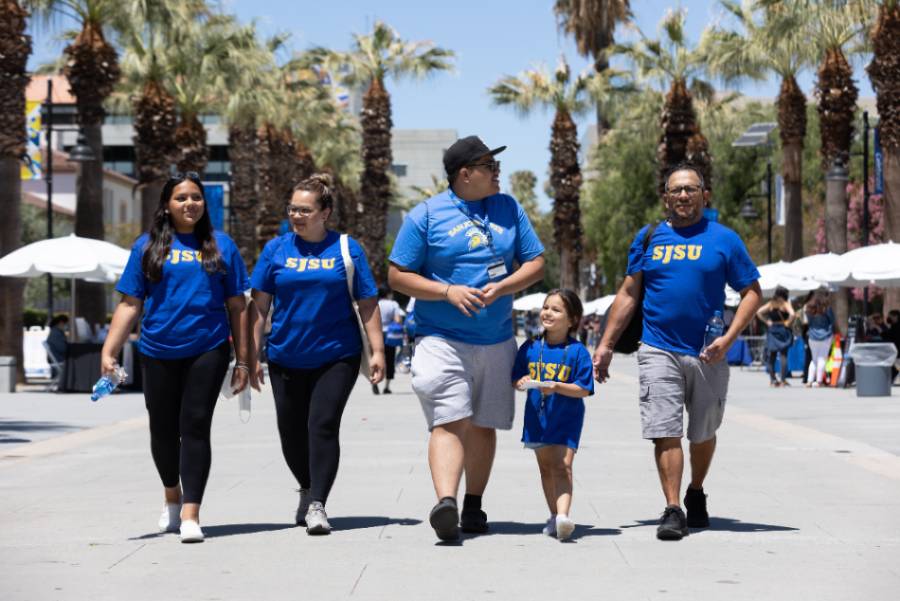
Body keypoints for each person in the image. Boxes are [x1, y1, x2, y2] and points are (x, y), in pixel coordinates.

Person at [592, 163, 761, 541]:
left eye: (691, 189)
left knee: (703, 431)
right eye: (676, 190)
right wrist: (603, 344)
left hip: (707, 352)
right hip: (657, 348)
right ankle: (673, 508)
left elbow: (752, 293)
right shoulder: (649, 237)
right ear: (665, 197)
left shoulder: (724, 239)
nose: (683, 196)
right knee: (664, 431)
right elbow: (629, 293)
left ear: (705, 195)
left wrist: (729, 339)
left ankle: (696, 490)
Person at [388, 135, 545, 541]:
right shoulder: (425, 215)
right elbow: (397, 275)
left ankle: (473, 503)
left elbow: (537, 263)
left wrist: (506, 286)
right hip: (440, 336)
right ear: (465, 174)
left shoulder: (509, 207)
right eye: (490, 167)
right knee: (450, 417)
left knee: (483, 424)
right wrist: (447, 291)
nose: (497, 173)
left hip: (495, 338)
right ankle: (447, 502)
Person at [101, 171, 249, 543]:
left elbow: (238, 305)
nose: (190, 204)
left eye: (196, 197)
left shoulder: (222, 245)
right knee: (162, 431)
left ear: (204, 203)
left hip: (209, 348)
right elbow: (131, 302)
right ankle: (172, 495)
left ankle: (191, 513)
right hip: (157, 349)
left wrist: (245, 359)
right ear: (167, 205)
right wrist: (109, 350)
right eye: (181, 198)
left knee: (195, 425)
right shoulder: (146, 246)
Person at [248, 173, 384, 536]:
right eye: (293, 208)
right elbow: (259, 307)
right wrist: (249, 356)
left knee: (321, 426)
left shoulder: (346, 248)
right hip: (284, 356)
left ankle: (318, 504)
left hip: (336, 355)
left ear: (325, 212)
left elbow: (367, 302)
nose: (297, 215)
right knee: (290, 434)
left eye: (305, 210)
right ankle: (307, 488)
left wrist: (378, 352)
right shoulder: (276, 249)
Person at [512, 289, 594, 542]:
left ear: (572, 320)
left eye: (556, 309)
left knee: (563, 465)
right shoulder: (530, 346)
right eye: (546, 307)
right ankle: (554, 515)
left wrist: (556, 386)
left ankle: (563, 516)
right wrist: (523, 381)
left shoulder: (578, 352)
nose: (548, 313)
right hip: (537, 418)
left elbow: (584, 389)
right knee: (546, 468)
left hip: (567, 418)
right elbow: (516, 379)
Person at [756, 286, 795, 387]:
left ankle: (773, 380)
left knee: (772, 356)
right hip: (783, 329)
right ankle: (782, 380)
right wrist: (788, 323)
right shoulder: (785, 304)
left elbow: (759, 312)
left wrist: (766, 321)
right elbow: (793, 314)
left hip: (773, 329)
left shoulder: (771, 304)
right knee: (783, 355)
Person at [802, 289, 834, 387]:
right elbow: (832, 320)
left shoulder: (809, 308)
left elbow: (806, 322)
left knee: (814, 359)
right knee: (822, 358)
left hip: (812, 336)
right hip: (825, 335)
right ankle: (819, 381)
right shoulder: (826, 308)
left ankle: (809, 381)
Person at [377, 287, 405, 394]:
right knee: (389, 359)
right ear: (388, 294)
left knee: (376, 356)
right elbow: (398, 319)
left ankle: (374, 382)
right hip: (390, 334)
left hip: (377, 333)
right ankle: (386, 386)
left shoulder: (376, 303)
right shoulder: (393, 304)